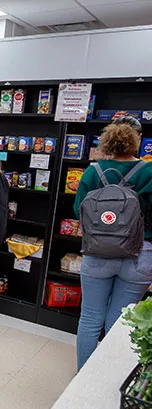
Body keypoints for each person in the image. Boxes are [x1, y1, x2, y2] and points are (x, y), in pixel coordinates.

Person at [74, 116, 152, 372]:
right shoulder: (149, 171)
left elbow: (79, 210)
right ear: (136, 141)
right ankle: (106, 375)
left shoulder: (93, 171)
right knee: (119, 320)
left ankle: (83, 376)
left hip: (97, 252)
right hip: (140, 254)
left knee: (90, 318)